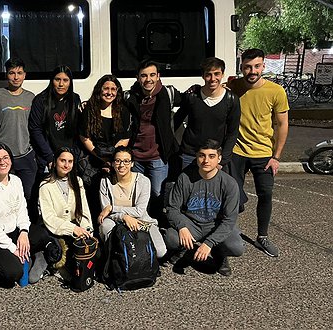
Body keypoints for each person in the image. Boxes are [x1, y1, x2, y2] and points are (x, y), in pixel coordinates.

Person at [227, 48, 289, 258]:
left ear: (263, 66)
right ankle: (228, 233)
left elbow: (282, 124)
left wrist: (276, 156)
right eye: (247, 67)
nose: (252, 71)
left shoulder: (276, 91)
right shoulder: (235, 86)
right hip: (236, 151)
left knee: (266, 194)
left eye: (256, 66)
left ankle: (262, 237)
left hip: (263, 153)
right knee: (232, 195)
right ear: (241, 67)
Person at [0, 142, 55, 287]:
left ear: (11, 160)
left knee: (41, 235)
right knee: (13, 274)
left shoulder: (16, 181)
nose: (2, 162)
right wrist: (13, 249)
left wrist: (23, 232)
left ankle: (27, 254)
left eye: (5, 157)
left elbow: (22, 209)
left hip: (13, 231)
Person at [164, 139, 245, 276]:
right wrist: (182, 227)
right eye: (202, 155)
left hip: (215, 224)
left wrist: (209, 242)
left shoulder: (229, 183)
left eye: (211, 156)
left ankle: (219, 254)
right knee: (171, 238)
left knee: (237, 247)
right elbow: (172, 208)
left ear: (219, 158)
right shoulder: (185, 178)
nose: (206, 160)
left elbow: (229, 220)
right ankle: (186, 249)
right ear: (196, 157)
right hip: (192, 224)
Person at [125, 59, 182, 217]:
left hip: (158, 156)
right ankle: (140, 226)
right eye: (143, 76)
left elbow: (191, 101)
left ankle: (155, 224)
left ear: (158, 76)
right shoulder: (130, 97)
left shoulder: (168, 94)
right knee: (137, 194)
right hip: (135, 156)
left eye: (152, 75)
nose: (148, 79)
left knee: (157, 193)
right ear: (138, 78)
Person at [98, 146, 167, 258]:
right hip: (116, 221)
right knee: (105, 225)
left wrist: (113, 208)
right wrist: (124, 217)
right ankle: (112, 259)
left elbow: (139, 211)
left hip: (141, 221)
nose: (121, 165)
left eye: (126, 161)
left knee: (160, 251)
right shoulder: (105, 182)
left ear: (132, 164)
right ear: (112, 163)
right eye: (118, 161)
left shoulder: (143, 181)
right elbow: (105, 212)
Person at [79, 75, 131, 221]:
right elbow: (85, 137)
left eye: (113, 89)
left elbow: (125, 138)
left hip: (116, 159)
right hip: (93, 159)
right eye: (106, 88)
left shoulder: (123, 111)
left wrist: (112, 159)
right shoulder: (89, 109)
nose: (109, 92)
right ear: (99, 90)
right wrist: (101, 157)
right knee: (93, 197)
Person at [174, 57, 241, 170]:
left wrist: (223, 159)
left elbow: (232, 132)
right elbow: (175, 122)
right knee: (188, 187)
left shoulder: (231, 99)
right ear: (203, 76)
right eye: (208, 74)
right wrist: (176, 147)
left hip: (214, 156)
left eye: (217, 74)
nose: (213, 78)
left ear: (222, 74)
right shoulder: (192, 96)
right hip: (189, 155)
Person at [39, 147, 93, 279]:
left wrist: (87, 230)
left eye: (70, 161)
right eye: (63, 160)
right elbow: (49, 218)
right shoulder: (46, 185)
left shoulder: (77, 181)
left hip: (75, 227)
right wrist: (73, 229)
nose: (66, 165)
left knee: (91, 256)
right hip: (56, 230)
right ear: (55, 161)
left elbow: (84, 209)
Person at [0, 57, 36, 200]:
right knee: (3, 196)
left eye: (19, 73)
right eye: (11, 73)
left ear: (24, 75)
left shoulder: (31, 97)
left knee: (27, 194)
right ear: (6, 74)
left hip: (25, 154)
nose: (16, 77)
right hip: (3, 154)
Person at [29, 65, 81, 176]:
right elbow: (35, 130)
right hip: (48, 157)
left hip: (69, 157)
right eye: (57, 79)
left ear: (70, 82)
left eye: (65, 80)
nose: (61, 84)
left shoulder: (75, 99)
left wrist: (73, 155)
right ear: (52, 81)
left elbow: (78, 129)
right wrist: (49, 157)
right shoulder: (40, 100)